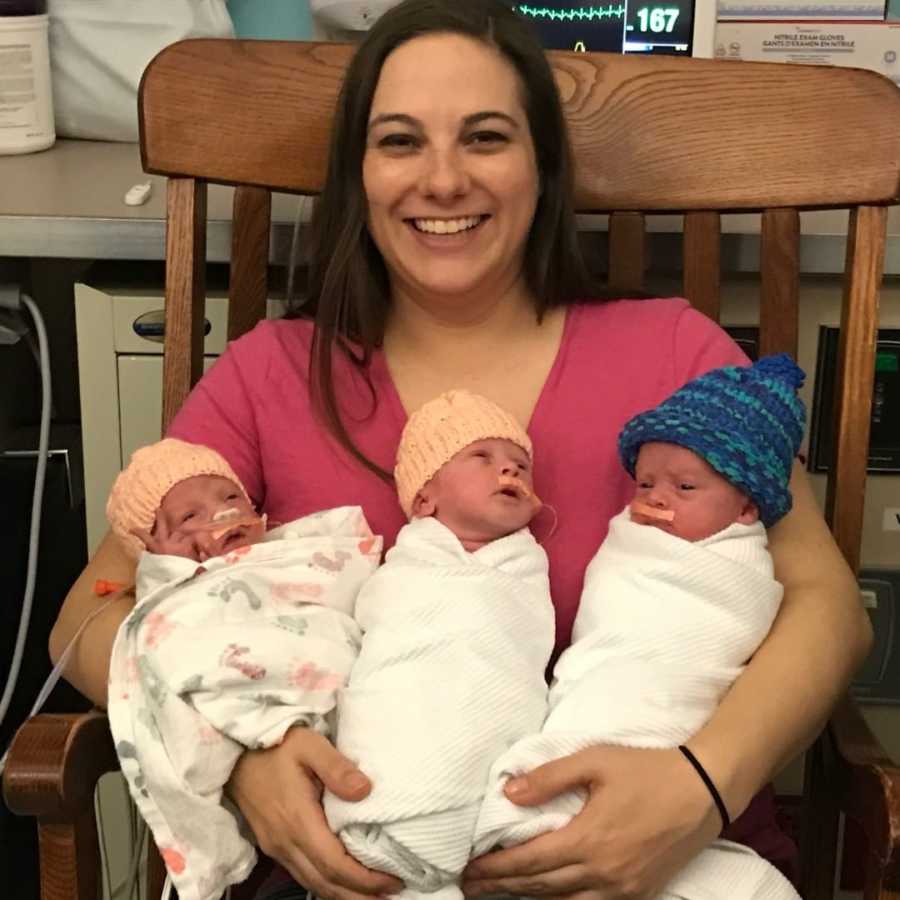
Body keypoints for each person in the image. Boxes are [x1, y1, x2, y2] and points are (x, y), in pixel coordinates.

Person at [48, 1, 870, 898]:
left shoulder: (674, 353)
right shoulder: (268, 377)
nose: (442, 181)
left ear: (542, 165)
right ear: (356, 174)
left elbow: (828, 602)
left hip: (664, 867)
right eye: (400, 141)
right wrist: (241, 754)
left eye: (485, 137)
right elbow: (90, 615)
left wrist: (702, 787)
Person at [474, 355, 807, 900]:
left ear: (746, 509)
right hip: (577, 718)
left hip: (668, 753)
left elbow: (740, 624)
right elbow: (611, 632)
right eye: (647, 481)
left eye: (685, 487)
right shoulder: (634, 542)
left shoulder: (730, 566)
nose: (654, 497)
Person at [103, 439, 381, 900]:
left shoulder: (297, 555)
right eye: (189, 518)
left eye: (231, 498)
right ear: (154, 549)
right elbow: (169, 656)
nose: (220, 514)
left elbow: (349, 599)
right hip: (289, 776)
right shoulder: (178, 603)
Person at [324, 389, 554, 900]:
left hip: (505, 788)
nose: (510, 472)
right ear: (424, 498)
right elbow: (378, 640)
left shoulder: (524, 567)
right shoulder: (406, 568)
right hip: (395, 764)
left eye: (520, 465)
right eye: (482, 458)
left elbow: (520, 652)